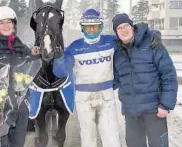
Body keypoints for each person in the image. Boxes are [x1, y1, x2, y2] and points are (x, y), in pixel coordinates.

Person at [52, 8, 162, 147]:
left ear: (101, 27)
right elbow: (60, 72)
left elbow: (131, 35)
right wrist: (59, 57)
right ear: (82, 27)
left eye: (95, 26)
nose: (91, 29)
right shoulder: (74, 47)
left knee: (111, 138)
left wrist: (152, 34)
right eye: (87, 26)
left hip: (106, 97)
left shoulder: (111, 42)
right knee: (88, 139)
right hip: (83, 99)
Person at [112, 13, 178, 147]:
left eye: (126, 26)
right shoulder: (117, 53)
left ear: (133, 27)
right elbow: (114, 80)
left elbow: (169, 75)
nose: (124, 30)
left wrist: (165, 104)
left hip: (154, 111)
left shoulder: (152, 44)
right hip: (131, 113)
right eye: (119, 28)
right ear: (116, 33)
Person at [0, 6, 39, 147]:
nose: (6, 25)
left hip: (21, 106)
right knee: (0, 143)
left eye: (9, 22)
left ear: (14, 25)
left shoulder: (24, 48)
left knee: (18, 143)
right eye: (1, 22)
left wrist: (36, 56)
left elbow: (32, 71)